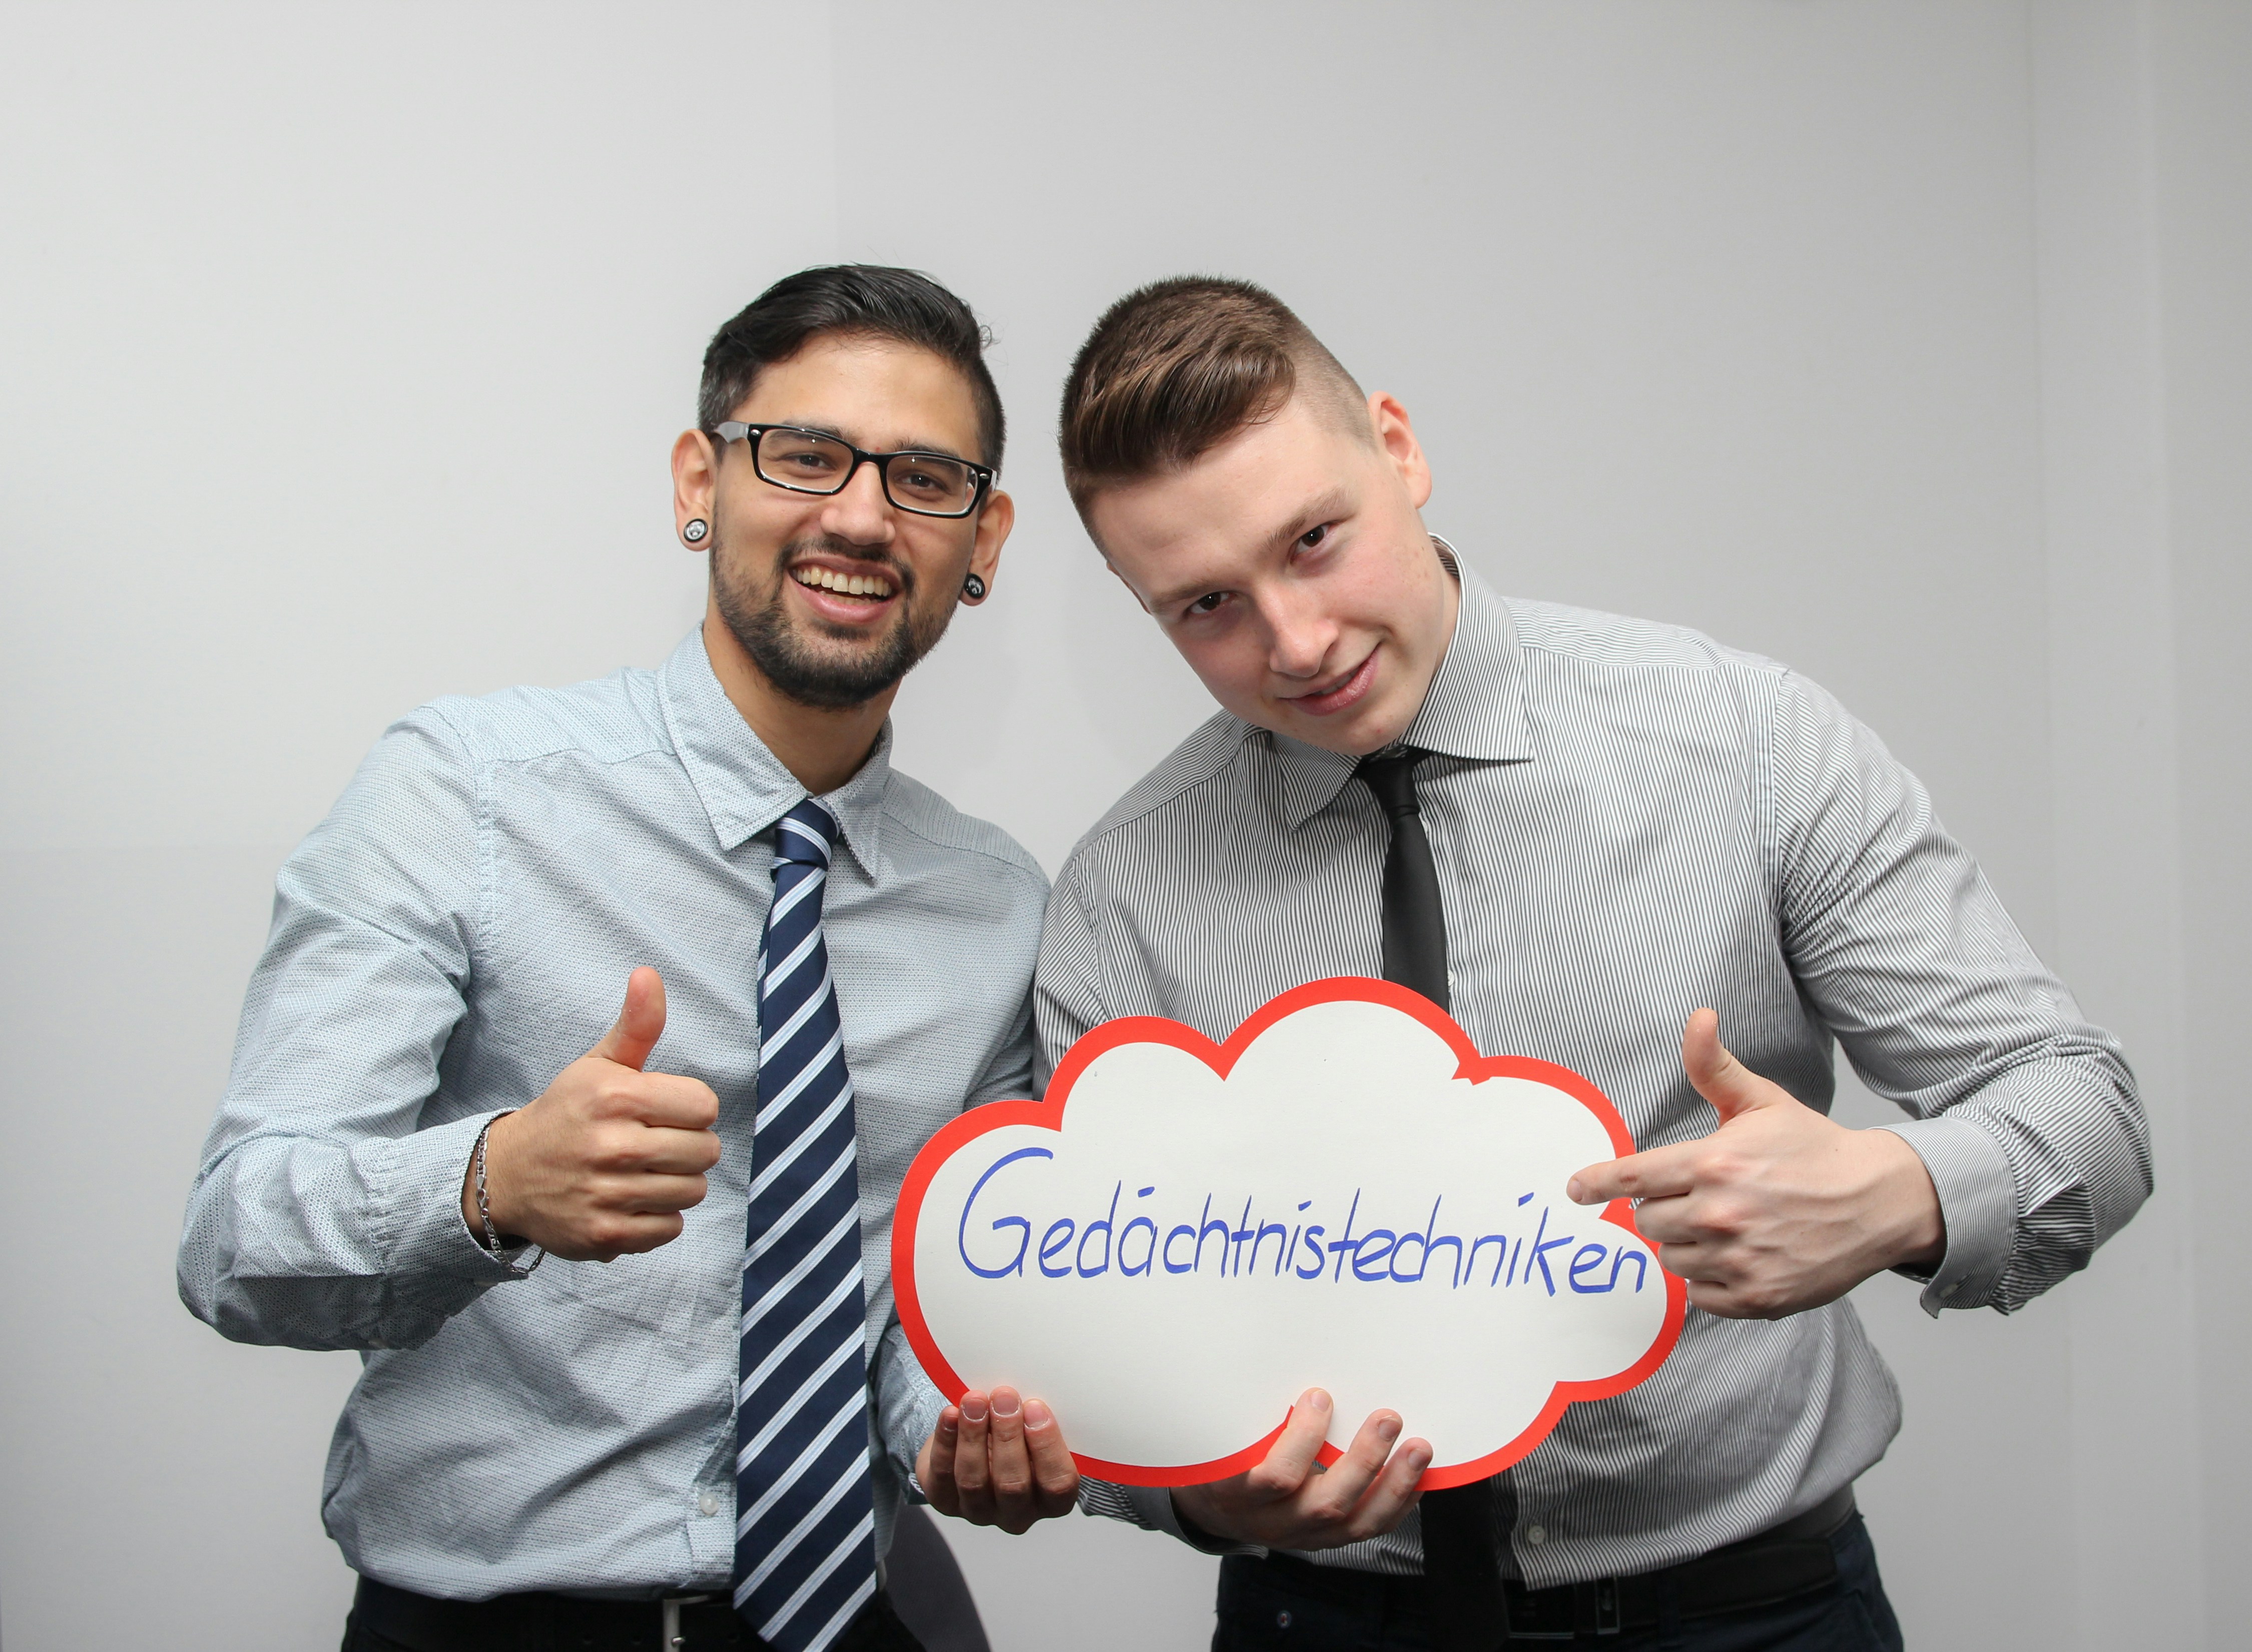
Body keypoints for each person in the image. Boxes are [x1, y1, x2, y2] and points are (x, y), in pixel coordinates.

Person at [1033, 277, 2148, 1650]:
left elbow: (2084, 1106)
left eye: (1315, 541)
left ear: (1398, 448)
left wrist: (1897, 1192)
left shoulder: (1746, 742)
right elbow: (1083, 1338)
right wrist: (1191, 1493)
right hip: (1321, 1624)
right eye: (1206, 605)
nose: (1297, 642)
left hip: (1752, 1617)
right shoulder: (1120, 895)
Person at [179, 265, 1080, 1652]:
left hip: (853, 1618)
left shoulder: (998, 906)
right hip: (495, 1629)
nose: (859, 516)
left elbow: (928, 1304)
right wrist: (491, 1184)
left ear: (984, 539)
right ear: (698, 483)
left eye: (923, 478)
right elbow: (237, 1239)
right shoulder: (465, 792)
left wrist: (961, 1423)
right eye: (804, 454)